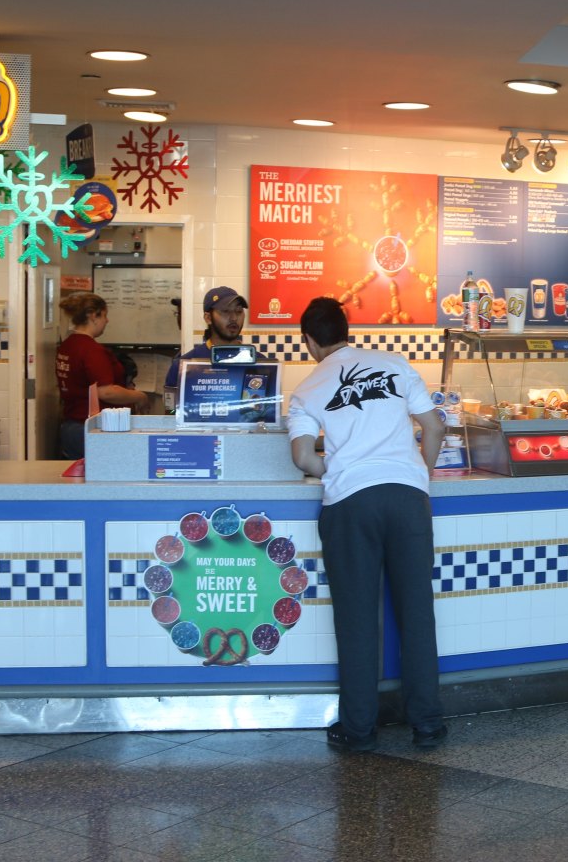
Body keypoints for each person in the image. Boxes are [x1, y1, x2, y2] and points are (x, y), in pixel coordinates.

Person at [287, 296, 448, 753]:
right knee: (416, 613)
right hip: (408, 498)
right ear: (347, 328)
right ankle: (428, 725)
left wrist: (337, 469)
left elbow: (301, 456)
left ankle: (358, 730)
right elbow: (434, 428)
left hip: (351, 505)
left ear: (309, 342)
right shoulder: (394, 363)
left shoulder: (306, 390)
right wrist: (419, 473)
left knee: (358, 620)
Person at [55, 293, 149, 459]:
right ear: (93, 316)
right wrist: (139, 396)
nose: (107, 321)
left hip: (70, 426)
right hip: (91, 429)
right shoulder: (91, 350)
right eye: (105, 315)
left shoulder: (67, 345)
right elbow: (107, 392)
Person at [164, 285, 250, 404]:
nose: (234, 318)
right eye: (225, 311)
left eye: (239, 311)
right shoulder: (183, 365)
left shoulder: (260, 362)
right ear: (208, 318)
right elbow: (170, 413)